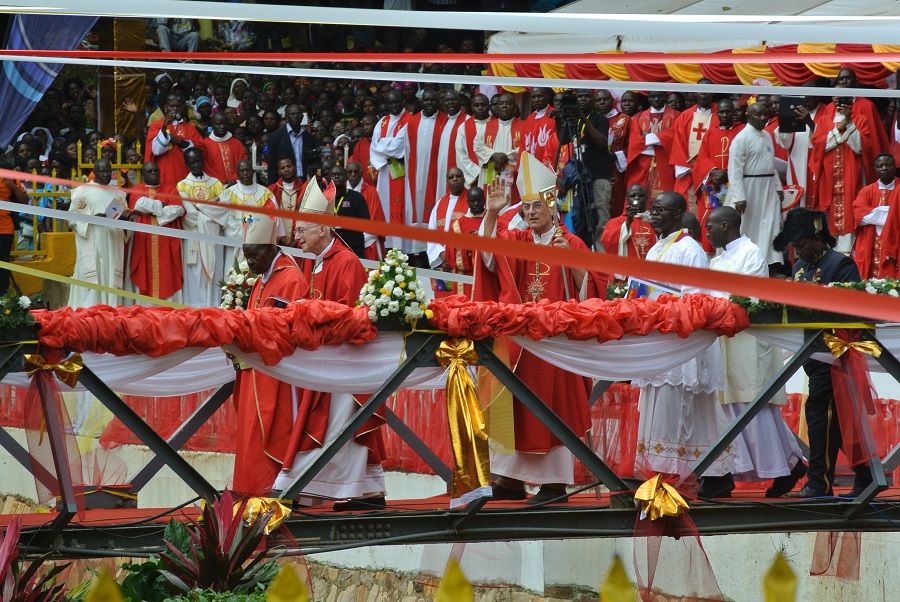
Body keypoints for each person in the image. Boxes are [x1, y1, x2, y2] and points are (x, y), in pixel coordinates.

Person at [476, 152, 607, 505]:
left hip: (556, 345)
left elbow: (592, 290)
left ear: (552, 205)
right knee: (510, 404)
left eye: (536, 206)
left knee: (553, 408)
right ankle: (510, 478)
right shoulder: (517, 243)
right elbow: (487, 256)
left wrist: (576, 267)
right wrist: (491, 212)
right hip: (520, 343)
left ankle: (553, 485)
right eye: (525, 208)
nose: (530, 213)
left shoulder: (572, 243)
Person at [277, 182, 387, 510]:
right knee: (322, 426)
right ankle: (360, 492)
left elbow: (352, 315)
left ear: (323, 229)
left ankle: (354, 492)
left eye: (302, 230)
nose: (297, 236)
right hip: (325, 360)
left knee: (343, 426)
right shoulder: (316, 262)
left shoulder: (347, 261)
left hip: (347, 361)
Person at [632, 191, 734, 498]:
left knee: (679, 410)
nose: (653, 214)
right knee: (681, 411)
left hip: (682, 343)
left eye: (660, 210)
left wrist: (661, 309)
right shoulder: (655, 251)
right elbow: (642, 292)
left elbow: (695, 300)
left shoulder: (689, 249)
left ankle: (676, 476)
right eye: (652, 209)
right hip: (659, 341)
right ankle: (709, 476)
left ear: (678, 215)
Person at [706, 206, 806, 497]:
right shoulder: (719, 259)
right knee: (734, 407)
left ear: (726, 225)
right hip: (724, 340)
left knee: (754, 406)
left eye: (711, 226)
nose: (708, 232)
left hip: (747, 340)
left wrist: (709, 306)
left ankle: (784, 468)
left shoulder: (751, 253)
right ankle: (790, 462)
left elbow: (743, 296)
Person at [774, 208, 874, 499]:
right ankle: (867, 476)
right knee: (842, 420)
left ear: (818, 239)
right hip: (812, 355)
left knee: (819, 414)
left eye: (802, 244)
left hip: (837, 355)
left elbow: (852, 310)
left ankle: (818, 482)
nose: (798, 251)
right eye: (794, 246)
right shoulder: (799, 269)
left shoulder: (842, 265)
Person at [232, 212, 310, 496]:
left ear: (270, 249)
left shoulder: (291, 279)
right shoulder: (260, 280)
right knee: (249, 434)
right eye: (245, 256)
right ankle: (249, 492)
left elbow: (292, 331)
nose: (248, 263)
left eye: (253, 256)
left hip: (279, 375)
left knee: (270, 432)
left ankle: (272, 491)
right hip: (257, 370)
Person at [177, 148, 240, 308]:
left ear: (203, 160)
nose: (196, 164)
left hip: (214, 238)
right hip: (194, 237)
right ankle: (194, 308)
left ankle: (213, 306)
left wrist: (200, 207)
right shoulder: (183, 186)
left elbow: (225, 208)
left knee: (216, 271)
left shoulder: (216, 183)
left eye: (198, 160)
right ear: (186, 164)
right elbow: (190, 215)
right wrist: (211, 209)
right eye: (192, 162)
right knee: (195, 274)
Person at [727, 102, 784, 266]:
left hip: (768, 187)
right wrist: (739, 196)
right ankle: (743, 263)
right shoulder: (741, 138)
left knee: (768, 224)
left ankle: (767, 263)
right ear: (748, 116)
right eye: (758, 115)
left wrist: (778, 186)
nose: (762, 118)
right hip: (749, 188)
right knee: (749, 226)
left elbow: (770, 164)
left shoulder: (766, 135)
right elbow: (735, 170)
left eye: (765, 115)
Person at [812, 93, 870, 253]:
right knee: (829, 216)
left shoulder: (860, 120)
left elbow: (860, 148)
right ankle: (832, 257)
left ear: (851, 99)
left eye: (843, 97)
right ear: (832, 99)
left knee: (850, 213)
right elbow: (817, 145)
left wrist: (850, 124)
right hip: (829, 178)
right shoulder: (824, 120)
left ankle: (847, 258)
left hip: (852, 177)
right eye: (836, 96)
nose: (839, 99)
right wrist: (838, 130)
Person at [67, 159, 128, 308]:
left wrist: (125, 218)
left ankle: (111, 312)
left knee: (110, 276)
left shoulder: (119, 193)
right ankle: (89, 313)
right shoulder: (83, 190)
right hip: (92, 240)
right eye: (102, 171)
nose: (106, 174)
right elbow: (73, 217)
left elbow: (125, 214)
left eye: (109, 171)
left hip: (112, 242)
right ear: (94, 172)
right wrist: (92, 219)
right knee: (92, 277)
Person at [692, 98, 746, 252]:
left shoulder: (742, 131)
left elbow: (745, 158)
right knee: (713, 219)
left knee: (733, 220)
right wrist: (714, 172)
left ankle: (735, 251)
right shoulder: (710, 133)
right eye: (721, 112)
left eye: (728, 111)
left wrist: (728, 174)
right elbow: (701, 159)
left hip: (734, 184)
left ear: (734, 113)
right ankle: (712, 252)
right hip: (714, 185)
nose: (724, 115)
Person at [127, 162, 184, 302]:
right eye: (149, 171)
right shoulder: (137, 190)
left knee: (167, 272)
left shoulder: (170, 190)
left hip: (166, 241)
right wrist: (162, 205)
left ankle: (169, 307)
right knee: (143, 271)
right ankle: (145, 308)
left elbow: (178, 209)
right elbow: (139, 205)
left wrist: (153, 210)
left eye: (155, 171)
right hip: (143, 240)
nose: (153, 173)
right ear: (143, 175)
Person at [403, 89, 447, 255]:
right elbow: (407, 150)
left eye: (433, 100)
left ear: (438, 102)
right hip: (416, 175)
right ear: (421, 102)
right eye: (426, 100)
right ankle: (420, 252)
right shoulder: (413, 122)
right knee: (418, 210)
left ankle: (437, 250)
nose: (429, 103)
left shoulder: (445, 120)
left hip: (437, 174)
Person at [569, 89, 613, 242]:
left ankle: (600, 257)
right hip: (580, 179)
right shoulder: (574, 121)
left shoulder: (600, 119)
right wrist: (558, 120)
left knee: (601, 218)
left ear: (593, 101)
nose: (582, 99)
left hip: (598, 177)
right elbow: (563, 141)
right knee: (580, 217)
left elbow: (602, 143)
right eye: (579, 96)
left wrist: (585, 120)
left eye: (586, 96)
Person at [664, 78, 718, 198]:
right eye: (699, 91)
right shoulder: (685, 116)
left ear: (714, 92)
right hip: (689, 172)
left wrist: (711, 170)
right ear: (695, 93)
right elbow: (678, 144)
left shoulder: (721, 114)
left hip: (713, 173)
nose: (703, 94)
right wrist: (691, 170)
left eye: (707, 91)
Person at [369, 90, 410, 251]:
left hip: (404, 174)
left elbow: (398, 146)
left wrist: (384, 145)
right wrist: (388, 147)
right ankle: (389, 246)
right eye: (390, 103)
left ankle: (404, 248)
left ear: (403, 102)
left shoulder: (409, 121)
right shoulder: (383, 122)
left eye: (396, 102)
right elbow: (374, 146)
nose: (393, 106)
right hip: (386, 174)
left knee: (404, 210)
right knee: (385, 207)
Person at [850, 153, 900, 279]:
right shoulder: (866, 191)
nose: (884, 168)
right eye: (880, 166)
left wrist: (874, 214)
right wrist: (893, 214)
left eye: (888, 165)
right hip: (869, 242)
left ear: (895, 166)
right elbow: (860, 216)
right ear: (875, 169)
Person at [626, 90, 679, 201]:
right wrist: (660, 142)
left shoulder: (676, 116)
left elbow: (674, 137)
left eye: (659, 96)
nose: (656, 99)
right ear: (648, 97)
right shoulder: (639, 117)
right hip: (643, 165)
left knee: (666, 199)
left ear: (665, 96)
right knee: (640, 198)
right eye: (652, 96)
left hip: (666, 164)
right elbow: (636, 144)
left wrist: (649, 138)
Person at [145, 94, 204, 187]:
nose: (175, 109)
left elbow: (198, 150)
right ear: (165, 107)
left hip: (185, 172)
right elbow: (155, 151)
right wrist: (164, 126)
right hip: (165, 171)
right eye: (171, 106)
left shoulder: (190, 128)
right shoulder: (156, 125)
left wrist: (180, 142)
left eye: (178, 106)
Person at [441, 186, 485, 298]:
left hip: (488, 275)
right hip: (466, 277)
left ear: (484, 200)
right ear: (467, 202)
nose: (475, 203)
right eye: (472, 201)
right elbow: (450, 254)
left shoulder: (494, 220)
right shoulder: (458, 225)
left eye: (478, 200)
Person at [600, 184, 657, 269]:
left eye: (640, 195)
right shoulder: (615, 222)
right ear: (627, 199)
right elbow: (608, 242)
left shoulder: (656, 220)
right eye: (633, 196)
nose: (637, 198)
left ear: (647, 198)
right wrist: (627, 223)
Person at [596, 89, 631, 217]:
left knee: (615, 208)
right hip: (595, 172)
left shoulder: (624, 120)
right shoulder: (591, 120)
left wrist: (616, 155)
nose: (602, 102)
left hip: (616, 170)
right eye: (598, 100)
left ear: (612, 100)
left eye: (605, 99)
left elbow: (632, 145)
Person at [427, 167, 470, 270]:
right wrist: (442, 255)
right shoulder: (440, 203)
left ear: (464, 179)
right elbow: (431, 233)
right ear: (447, 182)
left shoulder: (472, 201)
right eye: (451, 177)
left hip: (463, 261)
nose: (455, 179)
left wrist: (455, 257)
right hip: (442, 262)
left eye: (458, 176)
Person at [266, 104, 315, 187]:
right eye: (292, 114)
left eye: (298, 114)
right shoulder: (276, 136)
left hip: (306, 183)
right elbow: (272, 165)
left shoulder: (309, 137)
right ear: (286, 116)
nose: (295, 116)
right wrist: (272, 187)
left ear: (302, 116)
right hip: (284, 184)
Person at [327, 164, 370, 258]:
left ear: (346, 176)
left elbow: (366, 222)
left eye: (340, 174)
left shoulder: (356, 197)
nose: (337, 177)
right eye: (334, 175)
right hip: (330, 248)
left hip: (353, 248)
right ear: (329, 178)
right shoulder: (324, 198)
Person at [346, 160, 385, 261]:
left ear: (361, 174)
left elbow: (375, 220)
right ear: (346, 174)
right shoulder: (340, 192)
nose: (353, 174)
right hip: (345, 243)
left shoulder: (371, 192)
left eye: (356, 172)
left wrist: (357, 240)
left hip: (368, 242)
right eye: (350, 172)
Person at [433, 89, 467, 199]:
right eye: (447, 100)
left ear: (460, 101)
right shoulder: (444, 121)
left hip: (457, 171)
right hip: (443, 168)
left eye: (453, 99)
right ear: (442, 103)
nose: (450, 102)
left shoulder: (467, 121)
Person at [456, 93, 493, 187]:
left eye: (483, 105)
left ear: (489, 106)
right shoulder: (464, 127)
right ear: (472, 107)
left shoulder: (498, 124)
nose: (480, 108)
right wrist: (476, 171)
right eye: (476, 105)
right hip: (473, 175)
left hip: (493, 173)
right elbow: (461, 153)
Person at [199, 112, 246, 186]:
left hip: (236, 184)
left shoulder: (236, 143)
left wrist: (234, 179)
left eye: (225, 124)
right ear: (212, 124)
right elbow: (205, 166)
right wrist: (220, 180)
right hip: (214, 184)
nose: (222, 126)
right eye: (218, 124)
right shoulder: (205, 144)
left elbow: (242, 163)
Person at [267, 157, 302, 246]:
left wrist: (297, 240)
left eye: (289, 166)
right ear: (279, 172)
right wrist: (279, 237)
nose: (286, 169)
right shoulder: (271, 190)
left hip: (299, 240)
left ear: (294, 167)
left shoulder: (303, 189)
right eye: (283, 168)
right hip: (278, 241)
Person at [521, 87, 557, 167]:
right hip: (530, 167)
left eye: (539, 96)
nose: (536, 100)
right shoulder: (529, 119)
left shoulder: (554, 116)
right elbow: (523, 146)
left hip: (548, 166)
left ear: (547, 96)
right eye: (533, 97)